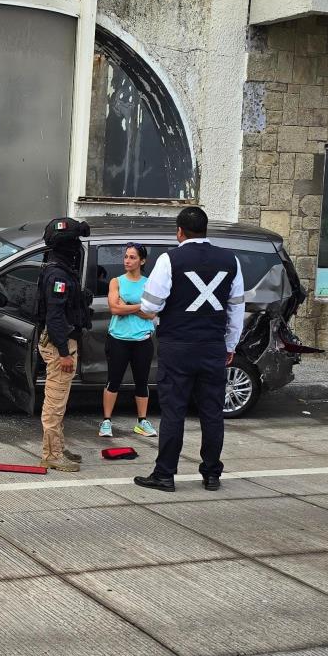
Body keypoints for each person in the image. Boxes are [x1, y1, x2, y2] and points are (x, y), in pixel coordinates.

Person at [135, 207, 244, 492]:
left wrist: (157, 315)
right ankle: (211, 474)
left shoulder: (169, 259)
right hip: (212, 346)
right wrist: (230, 345)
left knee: (174, 411)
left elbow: (149, 305)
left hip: (177, 346)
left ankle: (165, 474)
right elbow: (236, 308)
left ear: (179, 231)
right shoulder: (230, 260)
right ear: (206, 230)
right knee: (212, 412)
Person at [35, 217, 93, 473]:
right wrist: (63, 352)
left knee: (60, 402)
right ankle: (51, 454)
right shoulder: (57, 274)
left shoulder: (58, 268)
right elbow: (55, 316)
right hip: (61, 345)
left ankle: (57, 447)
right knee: (54, 403)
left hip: (64, 341)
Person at [99, 243, 158, 438]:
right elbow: (114, 309)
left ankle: (142, 421)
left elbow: (152, 314)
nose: (127, 260)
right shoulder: (116, 281)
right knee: (113, 380)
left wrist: (129, 305)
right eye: (126, 256)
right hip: (118, 339)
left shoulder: (149, 283)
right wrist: (140, 307)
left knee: (142, 381)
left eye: (132, 257)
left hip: (142, 340)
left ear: (142, 261)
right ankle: (106, 421)